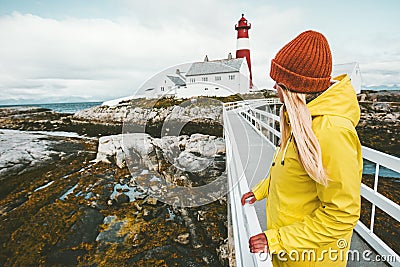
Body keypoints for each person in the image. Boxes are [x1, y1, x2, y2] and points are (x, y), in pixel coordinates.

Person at [241, 30, 362, 266]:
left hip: (309, 258)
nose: (274, 87)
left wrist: (276, 239)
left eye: (280, 83)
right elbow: (288, 167)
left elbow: (342, 215)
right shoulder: (298, 119)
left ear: (296, 88)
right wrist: (261, 190)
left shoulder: (332, 132)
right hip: (289, 251)